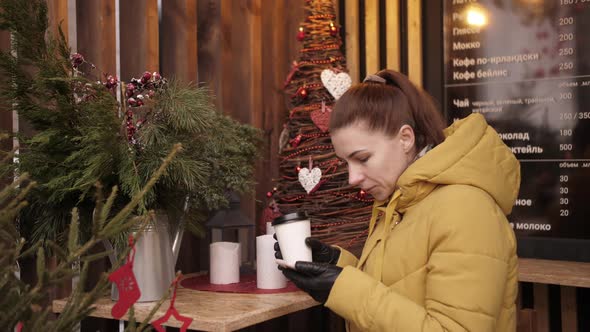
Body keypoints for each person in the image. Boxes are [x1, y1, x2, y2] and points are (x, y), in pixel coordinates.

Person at [275, 69, 520, 331]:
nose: (352, 178)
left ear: (405, 138)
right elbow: (400, 286)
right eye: (346, 163)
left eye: (363, 158)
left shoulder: (467, 210)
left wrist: (343, 287)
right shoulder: (400, 200)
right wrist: (337, 263)